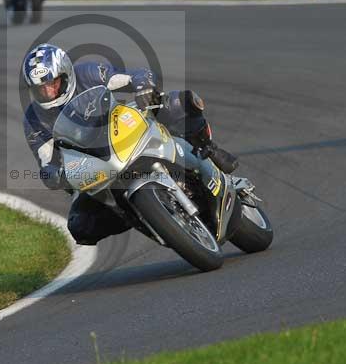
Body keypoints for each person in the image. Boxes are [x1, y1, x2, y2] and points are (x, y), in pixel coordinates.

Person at [22, 44, 240, 246]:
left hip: (121, 130)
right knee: (80, 226)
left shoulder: (87, 73)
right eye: (40, 88)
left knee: (176, 102)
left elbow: (134, 76)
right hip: (94, 167)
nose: (48, 92)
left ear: (66, 74)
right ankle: (136, 216)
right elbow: (45, 161)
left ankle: (209, 148)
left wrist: (143, 87)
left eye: (52, 83)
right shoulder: (34, 119)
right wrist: (54, 175)